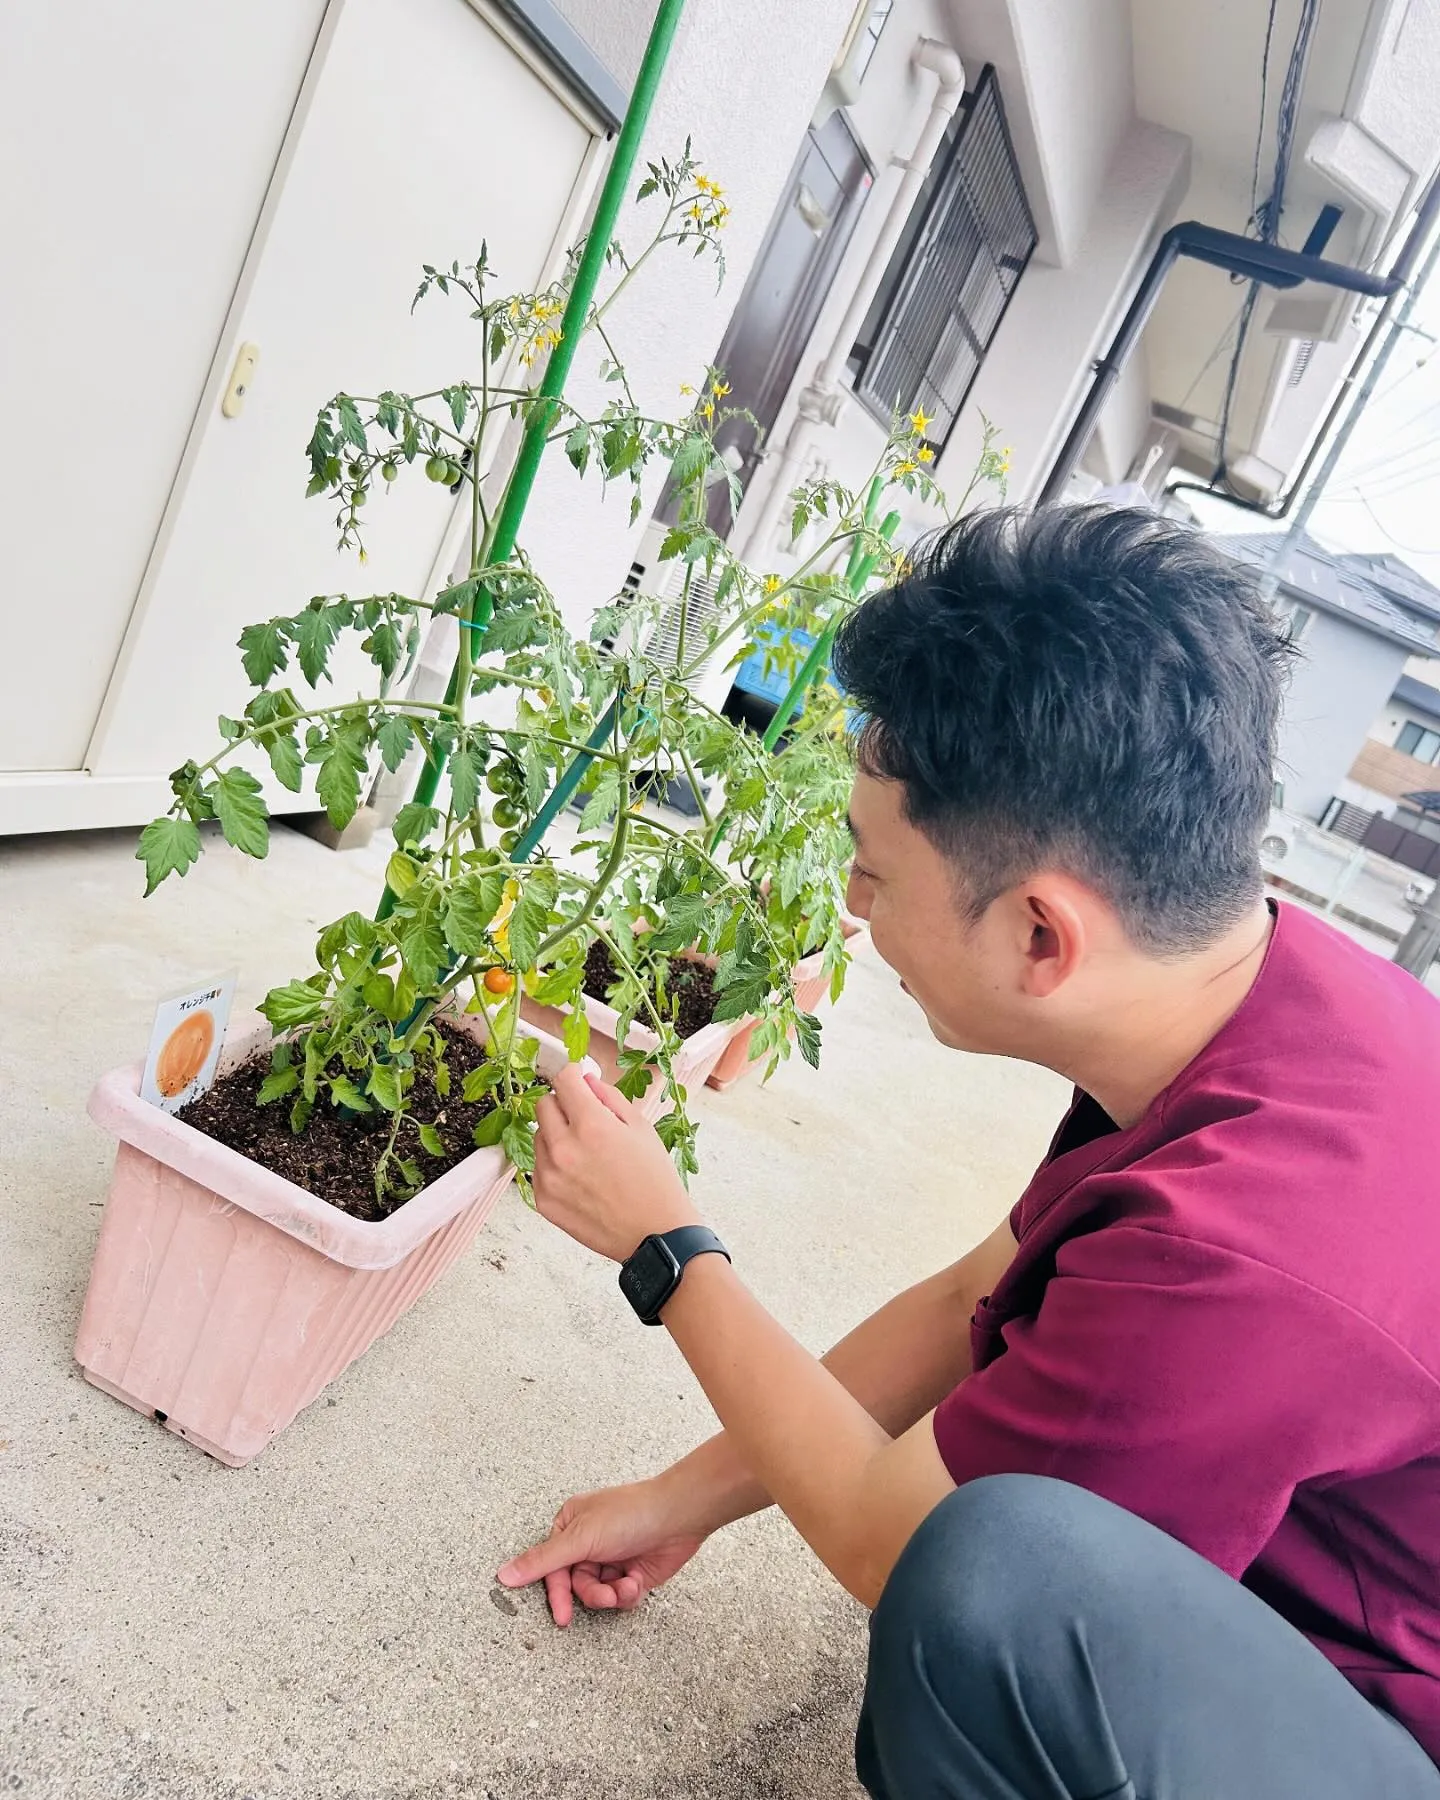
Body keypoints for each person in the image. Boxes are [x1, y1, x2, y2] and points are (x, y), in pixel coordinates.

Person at [497, 506, 1440, 1799]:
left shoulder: (1237, 1263)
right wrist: (681, 1497)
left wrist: (670, 1251)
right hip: (1327, 1599)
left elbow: (908, 1548)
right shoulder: (1246, 994)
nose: (851, 907)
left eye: (876, 874)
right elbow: (968, 1299)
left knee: (982, 1611)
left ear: (1042, 938)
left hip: (1392, 1735)